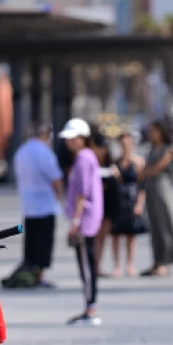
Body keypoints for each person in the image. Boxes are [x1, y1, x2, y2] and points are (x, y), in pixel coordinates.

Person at [7, 123, 63, 288]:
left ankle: (29, 272)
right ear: (47, 135)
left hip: (28, 205)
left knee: (31, 242)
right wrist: (60, 197)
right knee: (44, 243)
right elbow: (55, 178)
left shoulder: (21, 151)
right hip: (45, 205)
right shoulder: (45, 152)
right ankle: (39, 276)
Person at [62, 118, 104, 326]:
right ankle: (90, 305)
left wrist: (76, 221)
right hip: (87, 218)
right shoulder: (88, 156)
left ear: (82, 138)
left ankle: (91, 307)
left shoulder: (83, 159)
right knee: (87, 263)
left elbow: (82, 193)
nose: (69, 142)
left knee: (86, 265)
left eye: (72, 138)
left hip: (85, 220)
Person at [140, 119, 173, 277]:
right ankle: (156, 260)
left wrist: (146, 171)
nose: (152, 134)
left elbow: (160, 167)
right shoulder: (151, 148)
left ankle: (165, 261)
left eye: (154, 131)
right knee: (153, 226)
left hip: (161, 188)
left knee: (164, 224)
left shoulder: (169, 149)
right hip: (150, 188)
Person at [109, 133, 147, 277]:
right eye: (122, 144)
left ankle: (130, 264)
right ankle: (117, 265)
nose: (125, 146)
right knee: (116, 234)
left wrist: (140, 203)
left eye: (127, 143)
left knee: (131, 235)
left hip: (132, 198)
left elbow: (142, 185)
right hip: (117, 199)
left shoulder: (138, 162)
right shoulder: (115, 162)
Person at [92, 130, 120, 277]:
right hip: (94, 205)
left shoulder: (110, 163)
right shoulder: (89, 162)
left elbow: (116, 182)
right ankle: (94, 265)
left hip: (108, 204)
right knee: (95, 237)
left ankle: (98, 265)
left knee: (103, 237)